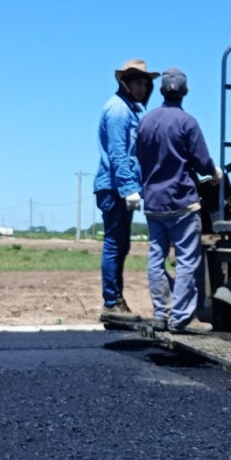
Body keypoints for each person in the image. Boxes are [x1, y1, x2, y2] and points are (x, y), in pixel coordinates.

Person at [135, 68, 220, 334]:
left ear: (160, 90)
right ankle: (181, 318)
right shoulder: (187, 123)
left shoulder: (145, 121)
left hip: (153, 202)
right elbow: (203, 162)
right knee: (186, 260)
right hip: (182, 202)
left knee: (156, 257)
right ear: (185, 92)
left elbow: (139, 157)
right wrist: (214, 173)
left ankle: (161, 313)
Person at [95, 58, 158, 323]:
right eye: (137, 82)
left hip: (119, 187)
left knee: (121, 245)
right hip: (114, 187)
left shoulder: (132, 110)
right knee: (114, 244)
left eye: (145, 83)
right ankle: (111, 302)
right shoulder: (119, 111)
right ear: (126, 83)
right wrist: (129, 188)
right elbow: (119, 153)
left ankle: (116, 300)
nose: (142, 87)